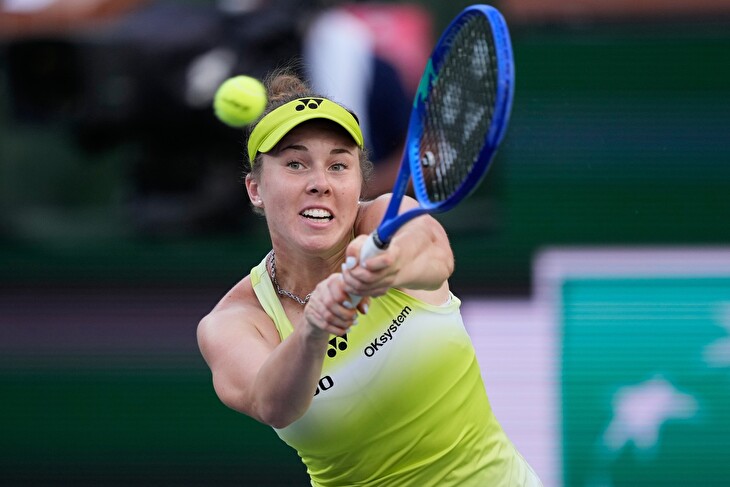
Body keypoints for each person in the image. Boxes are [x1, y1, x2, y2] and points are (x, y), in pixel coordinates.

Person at [196, 69, 543, 486]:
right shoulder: (233, 322)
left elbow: (434, 254)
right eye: (295, 164)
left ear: (359, 183)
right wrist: (313, 330)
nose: (320, 183)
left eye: (338, 165)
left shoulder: (387, 218)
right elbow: (273, 405)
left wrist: (384, 266)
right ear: (255, 189)